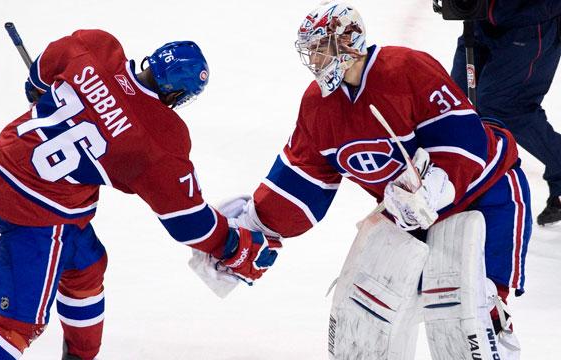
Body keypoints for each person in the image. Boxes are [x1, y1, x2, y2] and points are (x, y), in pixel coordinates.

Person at [223, 1, 531, 357]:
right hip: (408, 217)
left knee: (475, 309)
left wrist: (433, 189)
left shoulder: (406, 69)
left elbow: (464, 141)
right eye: (311, 51)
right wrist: (253, 226)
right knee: (368, 308)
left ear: (349, 41)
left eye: (322, 48)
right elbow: (300, 179)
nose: (315, 60)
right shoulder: (318, 107)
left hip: (487, 194)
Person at [0, 29, 280, 360]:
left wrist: (57, 95)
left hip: (9, 163)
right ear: (178, 96)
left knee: (86, 266)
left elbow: (38, 77)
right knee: (16, 327)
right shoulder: (160, 139)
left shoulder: (94, 46)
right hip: (37, 208)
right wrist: (233, 244)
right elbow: (188, 222)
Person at [450, 0, 561, 226]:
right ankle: (457, 187)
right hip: (480, 18)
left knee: (507, 106)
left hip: (530, 24)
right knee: (455, 102)